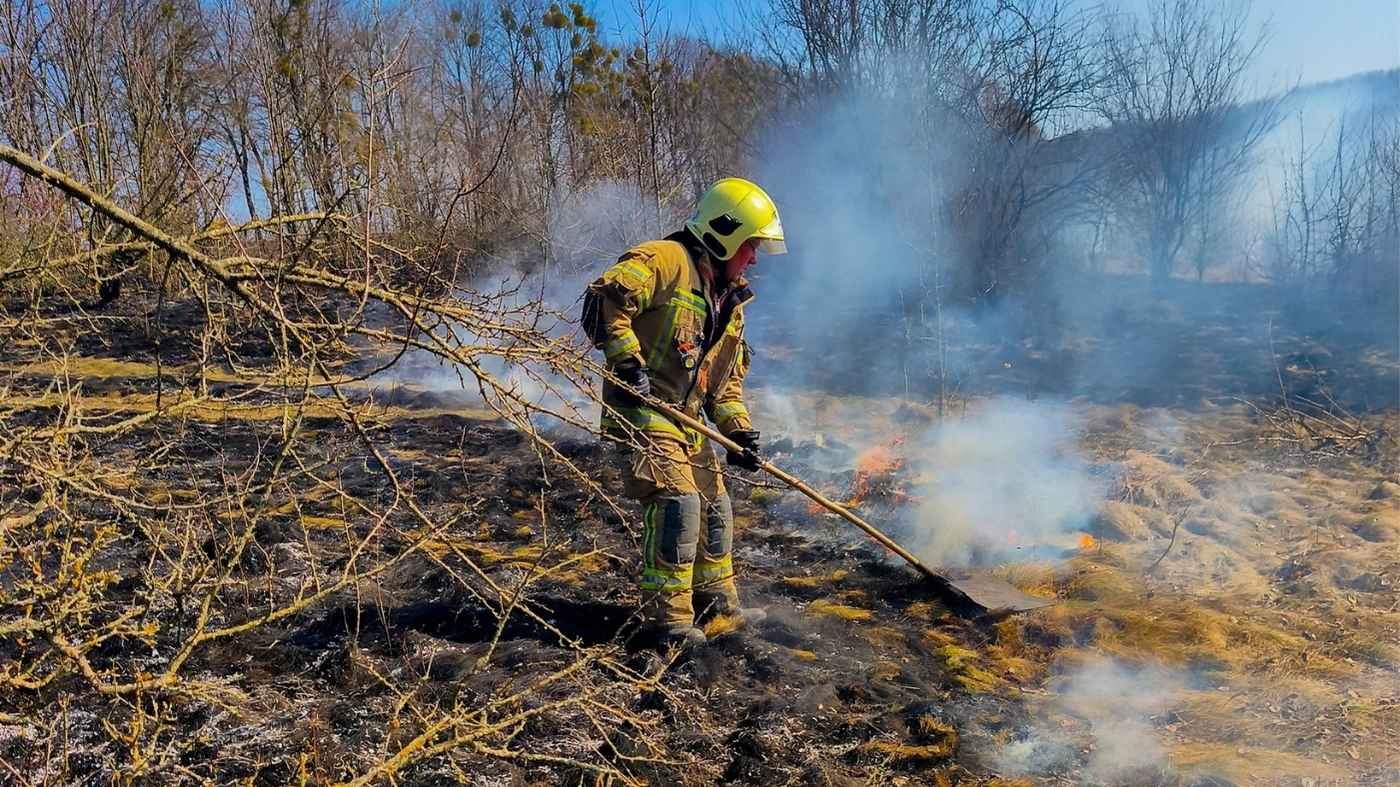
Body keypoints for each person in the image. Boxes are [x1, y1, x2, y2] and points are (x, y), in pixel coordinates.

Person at [582, 177, 785, 647]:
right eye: (751, 246)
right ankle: (668, 623)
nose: (754, 259)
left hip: (686, 420)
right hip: (642, 410)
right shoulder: (664, 261)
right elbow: (603, 301)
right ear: (725, 232)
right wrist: (627, 361)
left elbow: (723, 383)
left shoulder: (730, 303)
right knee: (679, 502)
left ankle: (715, 603)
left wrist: (739, 433)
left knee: (715, 505)